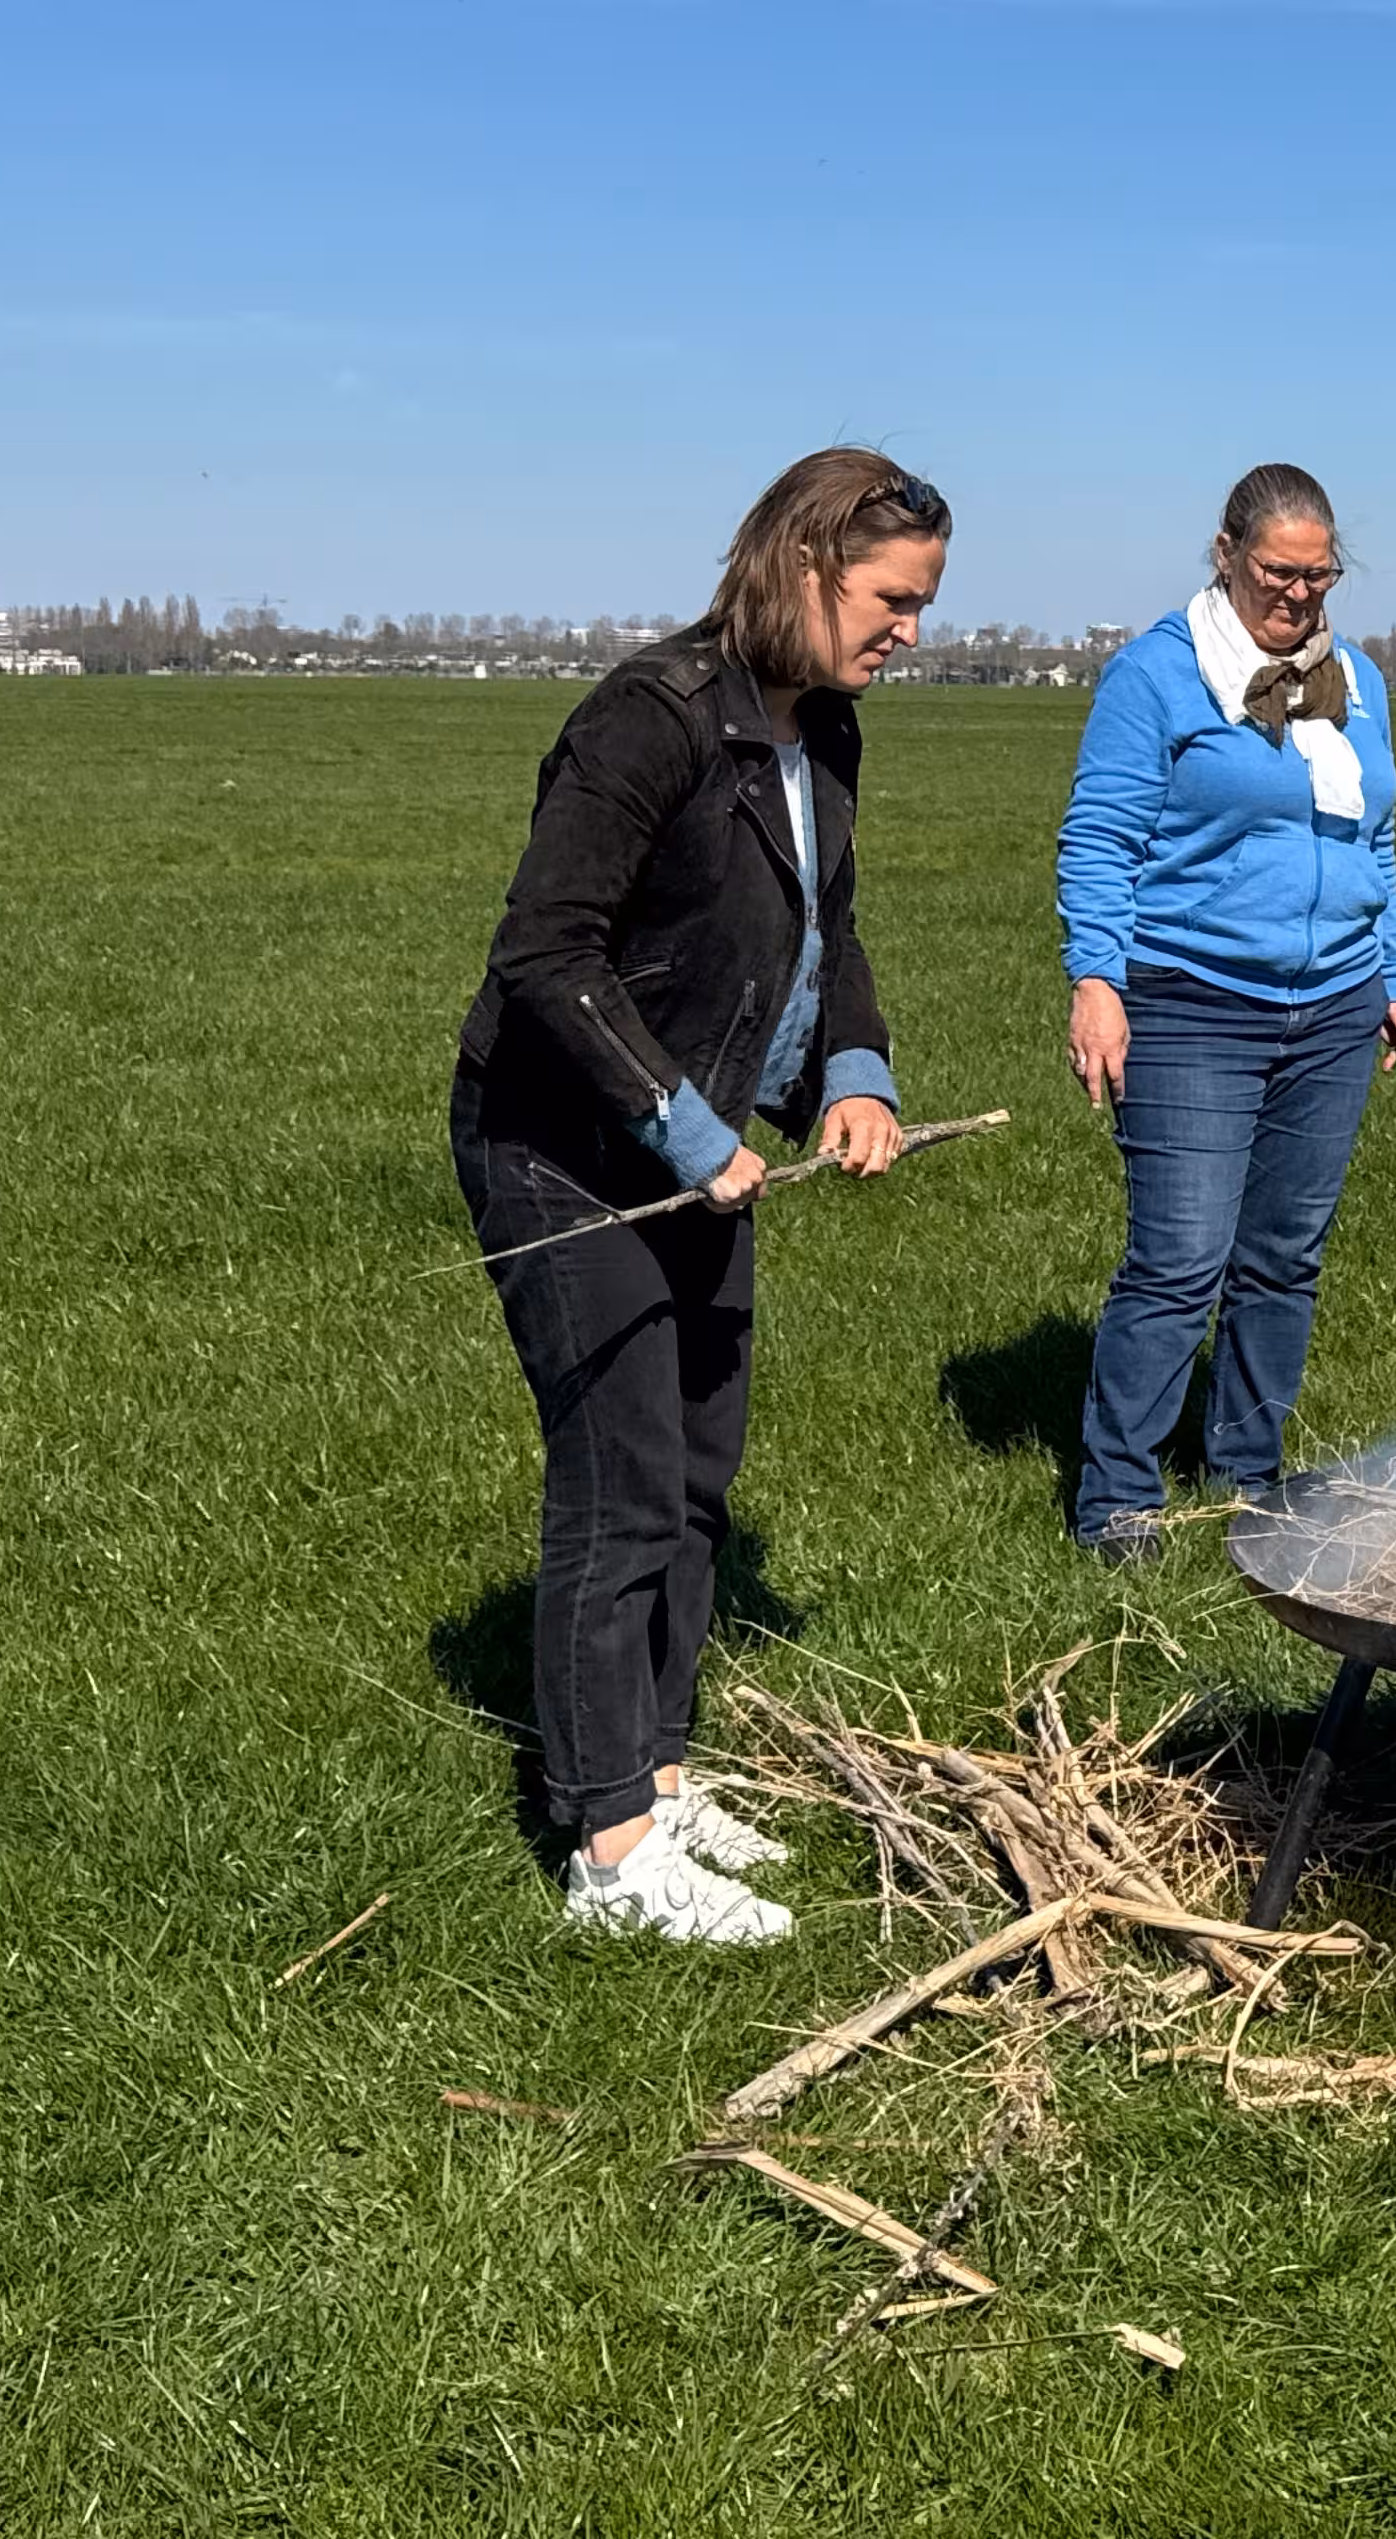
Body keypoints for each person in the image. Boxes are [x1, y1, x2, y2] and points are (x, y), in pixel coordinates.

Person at [453, 448, 951, 1944]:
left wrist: (852, 1075)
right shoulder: (648, 720)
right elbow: (547, 954)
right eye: (890, 600)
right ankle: (607, 1855)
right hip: (560, 1148)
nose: (909, 632)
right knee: (615, 1483)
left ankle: (655, 1778)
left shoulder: (829, 733)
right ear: (803, 566)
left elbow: (825, 931)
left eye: (920, 605)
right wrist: (681, 1128)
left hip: (702, 1153)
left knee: (693, 1475)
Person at [1059, 464, 1396, 1559]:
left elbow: (1374, 841)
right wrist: (1096, 982)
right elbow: (1099, 841)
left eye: (1320, 576)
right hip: (1190, 1005)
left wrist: (1393, 969)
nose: (1300, 595)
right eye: (1280, 571)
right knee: (1178, 1259)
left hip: (1335, 1006)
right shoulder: (1158, 677)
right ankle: (1118, 1501)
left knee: (1284, 1257)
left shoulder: (1355, 680)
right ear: (1225, 553)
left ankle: (1249, 1478)